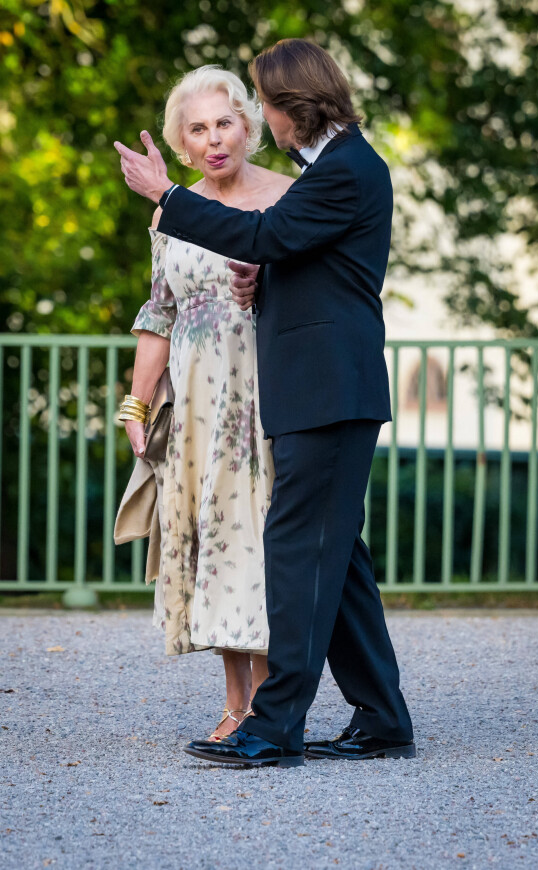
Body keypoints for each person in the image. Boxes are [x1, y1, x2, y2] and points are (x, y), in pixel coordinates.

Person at [115, 38, 415, 768]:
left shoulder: (342, 171)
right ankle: (382, 718)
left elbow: (265, 232)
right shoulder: (341, 168)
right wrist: (265, 285)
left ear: (290, 109)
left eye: (265, 109)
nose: (263, 122)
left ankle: (273, 726)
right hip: (323, 387)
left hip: (326, 389)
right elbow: (303, 261)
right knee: (336, 562)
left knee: (293, 548)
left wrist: (165, 196)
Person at [118, 65, 292, 741]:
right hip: (193, 406)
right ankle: (236, 700)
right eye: (198, 129)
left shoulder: (287, 197)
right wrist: (136, 408)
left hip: (264, 392)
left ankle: (277, 705)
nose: (214, 139)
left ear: (249, 126)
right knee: (211, 541)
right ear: (181, 144)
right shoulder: (172, 211)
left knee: (262, 536)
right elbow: (157, 316)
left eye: (225, 122)